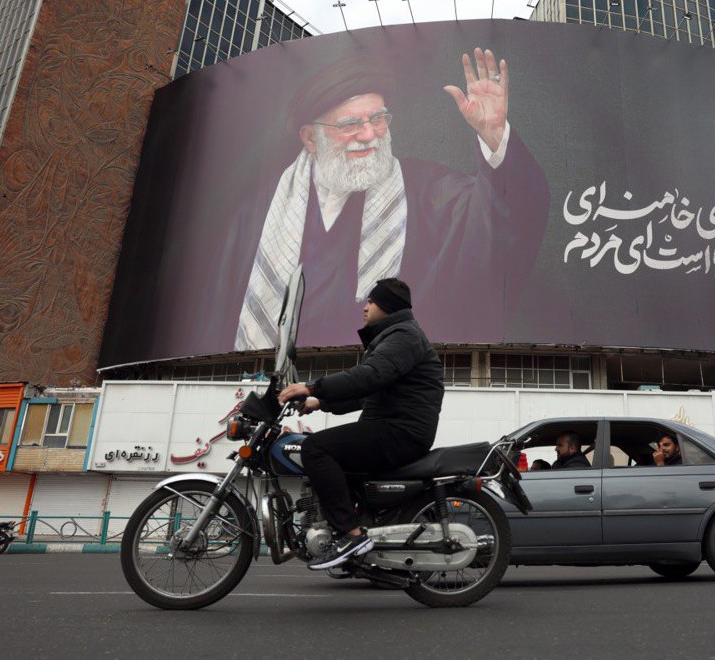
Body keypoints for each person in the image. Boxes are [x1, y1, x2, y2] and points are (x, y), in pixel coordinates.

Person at [236, 47, 550, 351]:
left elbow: (502, 214)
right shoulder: (262, 215)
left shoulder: (427, 189)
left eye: (378, 119)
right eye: (350, 125)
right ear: (309, 138)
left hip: (390, 378)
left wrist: (493, 135)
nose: (369, 134)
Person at [278, 278, 444, 570]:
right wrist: (321, 403)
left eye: (371, 301)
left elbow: (369, 377)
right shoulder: (395, 336)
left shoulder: (404, 336)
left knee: (316, 448)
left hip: (401, 431)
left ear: (387, 306)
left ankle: (352, 537)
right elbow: (370, 391)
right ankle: (358, 546)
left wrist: (314, 387)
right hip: (394, 426)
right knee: (340, 465)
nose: (364, 307)